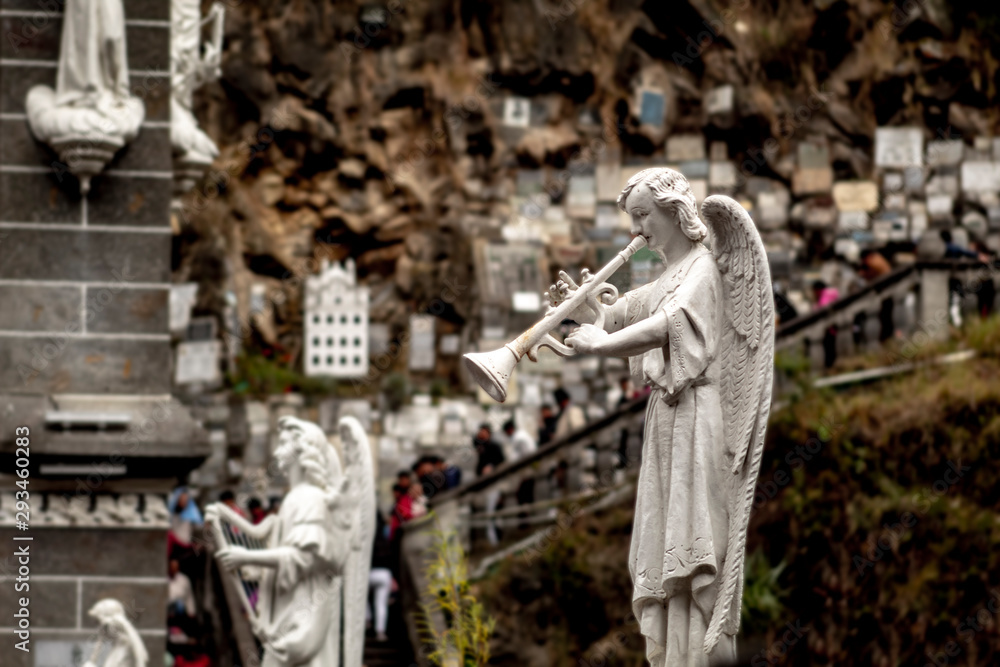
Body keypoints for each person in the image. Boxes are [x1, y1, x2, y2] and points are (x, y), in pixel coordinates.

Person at [556, 168, 774, 664]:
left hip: (697, 419)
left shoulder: (704, 267)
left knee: (695, 545)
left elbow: (666, 324)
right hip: (670, 422)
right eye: (631, 218)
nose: (637, 229)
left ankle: (699, 651)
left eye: (643, 215)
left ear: (673, 210)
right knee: (662, 542)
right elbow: (632, 308)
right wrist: (591, 306)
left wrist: (603, 344)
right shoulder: (669, 275)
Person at [209, 417, 353, 667]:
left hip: (304, 610)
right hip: (291, 604)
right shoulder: (294, 498)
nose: (276, 451)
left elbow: (303, 557)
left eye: (284, 444)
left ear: (301, 451)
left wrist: (247, 556)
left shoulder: (310, 498)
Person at [474, 424, 505, 545]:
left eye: (484, 432)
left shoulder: (494, 446)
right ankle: (493, 539)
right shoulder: (480, 446)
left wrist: (491, 466)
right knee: (491, 512)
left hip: (494, 484)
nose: (482, 434)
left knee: (492, 513)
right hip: (485, 485)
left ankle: (494, 540)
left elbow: (501, 461)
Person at [368, 512, 395, 643]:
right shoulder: (385, 538)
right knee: (381, 604)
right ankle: (380, 631)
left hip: (368, 572)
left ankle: (366, 620)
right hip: (384, 573)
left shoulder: (367, 539)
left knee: (362, 599)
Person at [167, 486, 203, 560]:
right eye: (181, 499)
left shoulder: (191, 514)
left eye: (186, 499)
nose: (184, 501)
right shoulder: (172, 514)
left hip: (187, 547)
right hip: (175, 547)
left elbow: (198, 528)